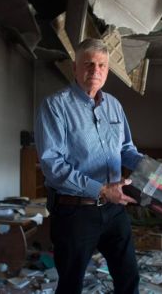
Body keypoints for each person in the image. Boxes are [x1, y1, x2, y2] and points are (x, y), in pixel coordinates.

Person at [34, 38, 142, 294]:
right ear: (75, 68)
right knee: (71, 284)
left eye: (102, 65)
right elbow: (53, 165)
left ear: (107, 70)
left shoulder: (114, 105)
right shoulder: (55, 106)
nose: (95, 71)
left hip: (114, 211)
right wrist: (102, 190)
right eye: (88, 64)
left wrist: (152, 169)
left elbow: (126, 150)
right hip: (74, 213)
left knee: (129, 278)